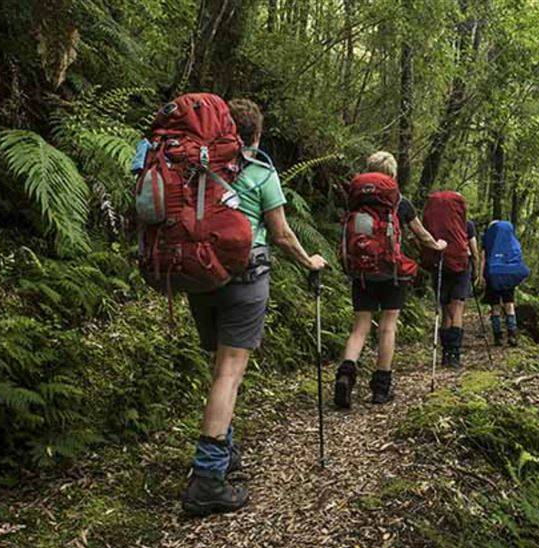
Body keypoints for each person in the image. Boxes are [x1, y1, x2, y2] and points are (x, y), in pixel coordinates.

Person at [182, 99, 327, 518]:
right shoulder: (261, 172)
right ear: (256, 137)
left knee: (220, 368)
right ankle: (207, 479)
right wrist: (309, 260)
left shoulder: (196, 168)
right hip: (245, 279)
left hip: (199, 276)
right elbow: (280, 233)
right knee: (229, 372)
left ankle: (223, 451)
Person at [333, 151, 447, 407]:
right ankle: (381, 388)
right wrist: (438, 245)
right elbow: (421, 235)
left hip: (361, 271)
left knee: (360, 327)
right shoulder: (399, 202)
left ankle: (345, 375)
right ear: (393, 175)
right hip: (391, 271)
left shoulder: (356, 202)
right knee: (387, 327)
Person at [421, 191, 481, 368]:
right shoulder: (467, 225)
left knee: (445, 309)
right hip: (460, 266)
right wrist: (476, 270)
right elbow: (474, 250)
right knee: (457, 308)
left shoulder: (435, 225)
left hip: (438, 264)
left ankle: (445, 353)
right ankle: (454, 353)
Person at [477, 220, 529, 347]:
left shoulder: (488, 238)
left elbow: (483, 258)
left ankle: (497, 336)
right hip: (508, 274)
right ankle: (512, 334)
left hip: (493, 274)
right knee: (509, 304)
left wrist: (480, 275)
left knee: (495, 306)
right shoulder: (511, 239)